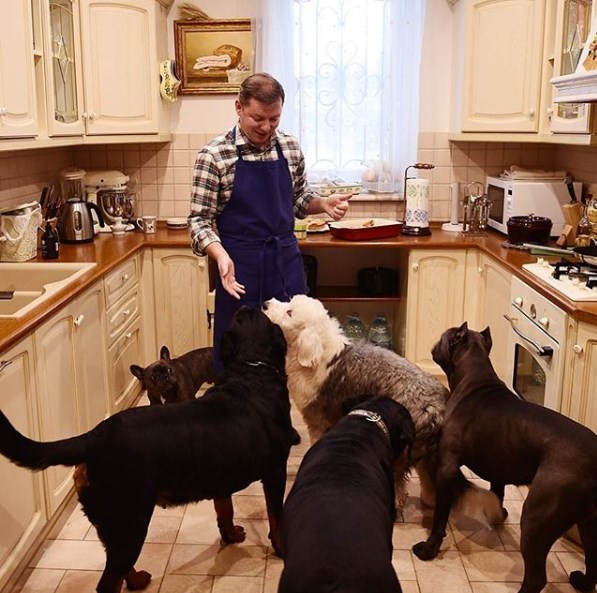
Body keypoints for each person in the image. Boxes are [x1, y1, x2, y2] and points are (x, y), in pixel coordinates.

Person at [189, 72, 352, 372]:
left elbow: (299, 198)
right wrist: (220, 255)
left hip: (285, 265)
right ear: (239, 107)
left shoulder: (289, 147)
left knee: (293, 356)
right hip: (239, 270)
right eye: (258, 118)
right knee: (239, 357)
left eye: (274, 119)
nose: (266, 127)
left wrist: (323, 204)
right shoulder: (214, 156)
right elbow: (199, 220)